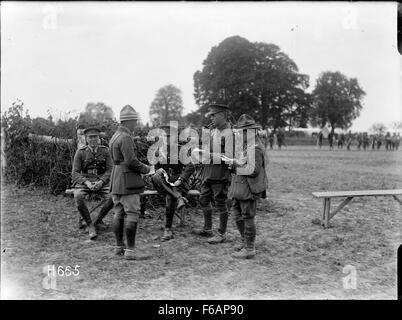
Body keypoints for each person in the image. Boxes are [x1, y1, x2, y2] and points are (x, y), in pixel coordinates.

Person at [109, 105, 151, 260]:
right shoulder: (126, 137)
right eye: (135, 121)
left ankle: (119, 247)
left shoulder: (115, 136)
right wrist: (148, 169)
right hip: (127, 179)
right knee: (132, 212)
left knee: (118, 211)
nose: (136, 124)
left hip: (116, 178)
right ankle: (131, 251)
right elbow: (131, 162)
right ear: (129, 122)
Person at [225, 114, 268, 259]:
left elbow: (253, 171)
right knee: (237, 215)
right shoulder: (246, 146)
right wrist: (233, 164)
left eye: (244, 131)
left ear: (251, 132)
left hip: (249, 188)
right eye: (240, 131)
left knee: (247, 217)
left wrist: (236, 164)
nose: (240, 134)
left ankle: (249, 248)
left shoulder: (255, 148)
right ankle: (245, 242)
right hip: (239, 187)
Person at [192, 103, 232, 244]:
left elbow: (229, 156)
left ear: (222, 115)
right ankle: (207, 228)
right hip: (208, 172)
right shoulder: (213, 131)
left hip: (220, 174)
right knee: (203, 200)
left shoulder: (229, 133)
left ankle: (222, 233)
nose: (211, 118)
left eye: (214, 115)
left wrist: (210, 154)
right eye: (211, 116)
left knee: (221, 203)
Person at [151, 124, 195, 241]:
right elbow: (156, 169)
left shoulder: (181, 150)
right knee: (155, 176)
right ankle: (179, 198)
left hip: (178, 183)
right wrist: (158, 170)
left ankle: (168, 229)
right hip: (163, 183)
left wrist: (180, 179)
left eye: (170, 137)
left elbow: (190, 167)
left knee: (170, 197)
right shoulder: (158, 151)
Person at [72, 127, 114, 240]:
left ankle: (97, 220)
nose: (93, 139)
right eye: (90, 137)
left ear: (99, 138)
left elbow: (110, 170)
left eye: (95, 137)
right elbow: (75, 173)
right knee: (78, 196)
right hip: (85, 181)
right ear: (86, 139)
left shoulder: (105, 151)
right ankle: (90, 225)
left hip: (101, 181)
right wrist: (87, 183)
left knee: (113, 197)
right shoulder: (80, 152)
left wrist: (101, 182)